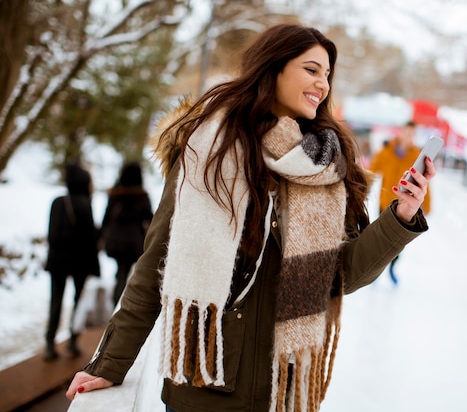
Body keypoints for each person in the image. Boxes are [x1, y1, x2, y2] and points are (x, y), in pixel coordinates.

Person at [66, 24, 435, 412]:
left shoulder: (325, 163)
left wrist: (403, 215)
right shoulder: (209, 149)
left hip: (284, 392)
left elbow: (341, 275)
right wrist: (110, 363)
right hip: (206, 391)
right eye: (311, 69)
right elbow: (157, 262)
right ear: (273, 68)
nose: (323, 84)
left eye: (327, 74)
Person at [43, 163, 100, 361]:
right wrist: (95, 266)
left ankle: (49, 344)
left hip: (58, 261)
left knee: (56, 301)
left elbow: (51, 234)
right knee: (78, 301)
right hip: (79, 262)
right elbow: (90, 239)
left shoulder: (58, 202)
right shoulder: (85, 204)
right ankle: (73, 341)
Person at [369, 121, 432, 286]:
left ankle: (391, 268)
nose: (408, 136)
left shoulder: (417, 156)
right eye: (406, 133)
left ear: (414, 136)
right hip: (384, 202)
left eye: (411, 134)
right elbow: (371, 171)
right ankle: (375, 272)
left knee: (398, 243)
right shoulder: (387, 151)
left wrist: (427, 205)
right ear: (401, 133)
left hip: (404, 206)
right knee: (380, 239)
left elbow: (425, 182)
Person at [100, 161, 153, 307]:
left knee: (120, 272)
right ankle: (122, 303)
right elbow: (150, 219)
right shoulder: (142, 196)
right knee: (127, 272)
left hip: (115, 240)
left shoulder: (115, 194)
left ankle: (116, 300)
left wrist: (101, 236)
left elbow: (106, 217)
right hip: (133, 241)